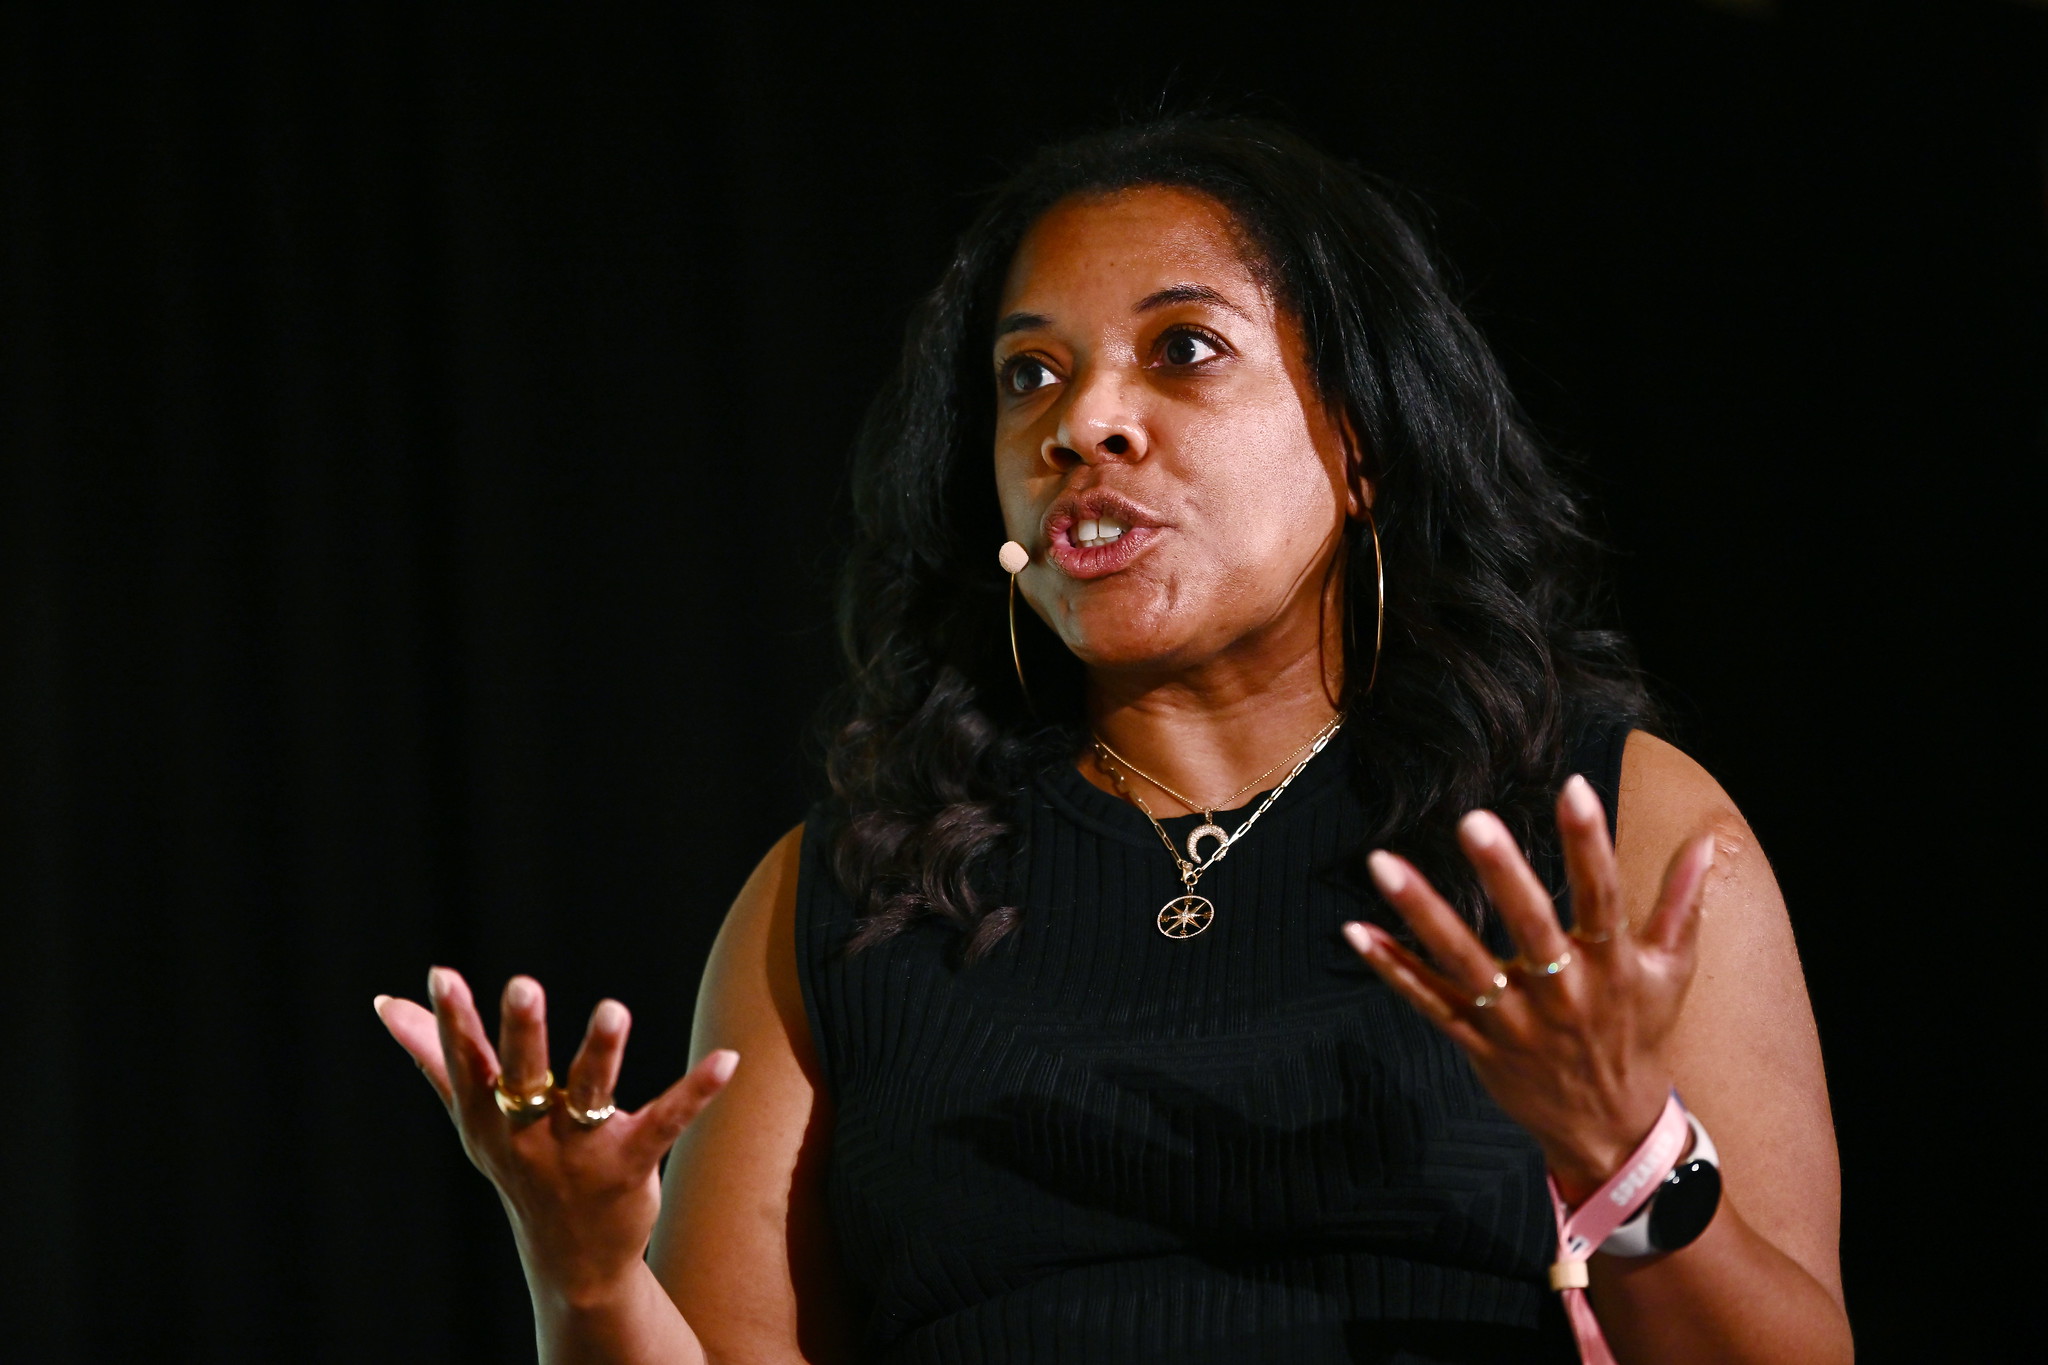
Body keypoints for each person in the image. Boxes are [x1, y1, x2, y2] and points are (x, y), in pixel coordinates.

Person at [375, 118, 1848, 1364]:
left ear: (1364, 441)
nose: (1085, 423)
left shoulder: (1601, 826)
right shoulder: (849, 892)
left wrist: (1621, 1145)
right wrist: (582, 1275)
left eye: (1184, 350)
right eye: (1030, 376)